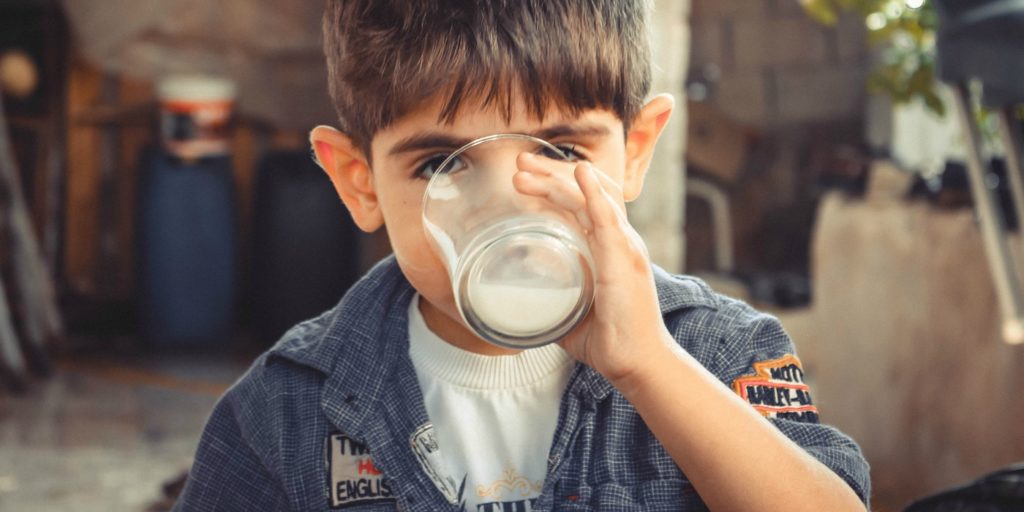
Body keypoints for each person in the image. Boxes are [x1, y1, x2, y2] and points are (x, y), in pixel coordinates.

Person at [173, 1, 870, 510]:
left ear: (634, 153)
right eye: (444, 162)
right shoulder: (284, 413)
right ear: (360, 182)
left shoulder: (720, 355)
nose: (507, 204)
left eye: (561, 153)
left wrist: (650, 365)